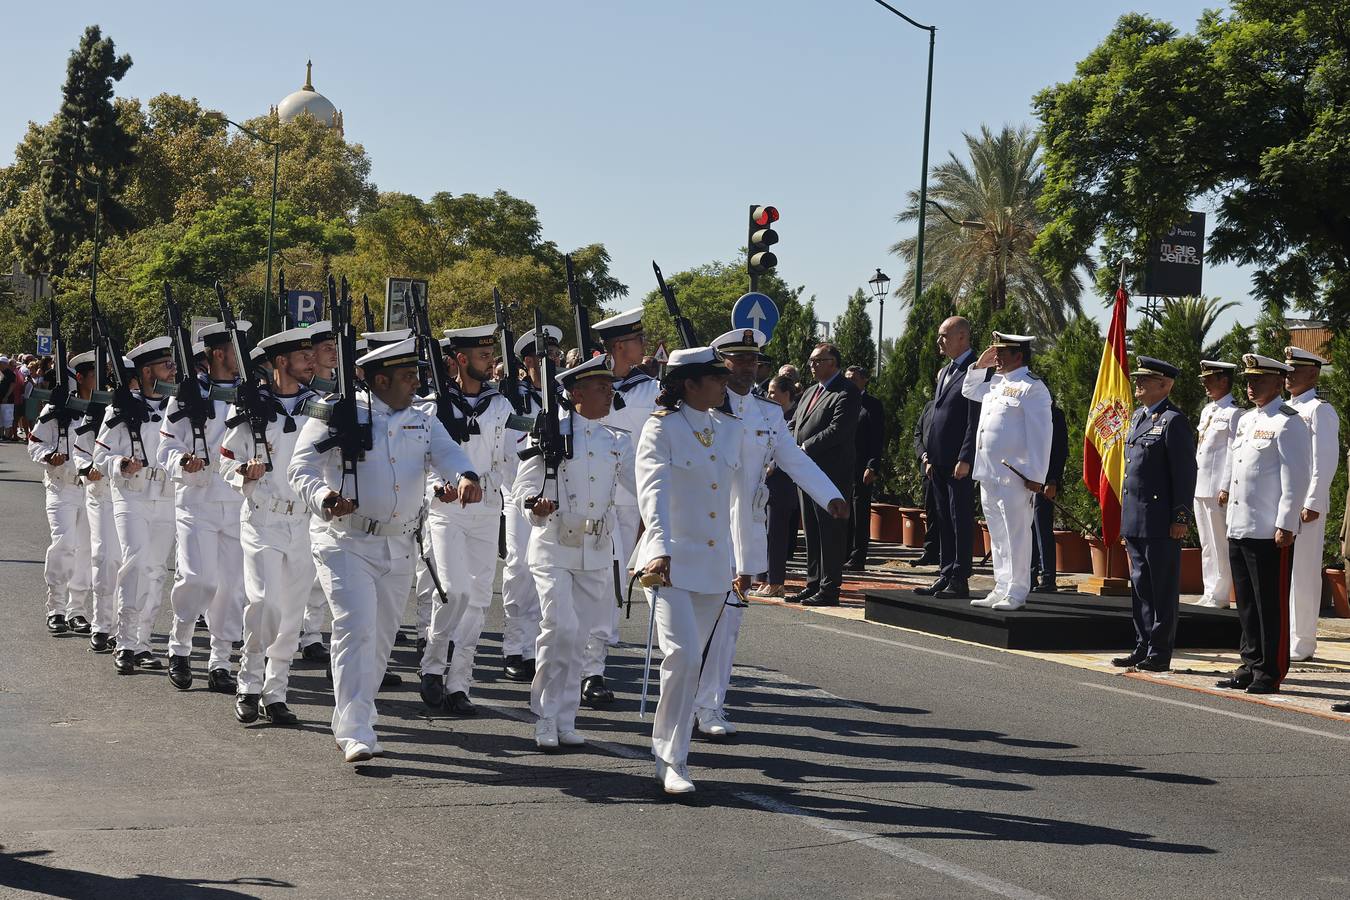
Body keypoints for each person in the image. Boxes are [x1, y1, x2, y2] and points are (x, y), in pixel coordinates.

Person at [289, 337, 480, 762]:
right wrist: (324, 496)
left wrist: (465, 474)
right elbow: (300, 467)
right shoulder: (338, 412)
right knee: (356, 629)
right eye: (407, 377)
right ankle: (357, 729)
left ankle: (353, 714)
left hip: (397, 544)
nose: (416, 383)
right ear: (380, 379)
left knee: (380, 639)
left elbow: (447, 452)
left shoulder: (422, 419)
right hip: (344, 539)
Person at [699, 330, 846, 736]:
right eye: (738, 360)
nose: (748, 368)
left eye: (753, 361)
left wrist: (829, 496)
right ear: (720, 362)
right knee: (698, 625)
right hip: (702, 527)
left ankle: (711, 707)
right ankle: (685, 700)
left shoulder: (767, 412)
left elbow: (793, 459)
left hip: (744, 530)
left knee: (728, 624)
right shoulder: (701, 408)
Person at [632, 347, 754, 795]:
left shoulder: (728, 430)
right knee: (682, 655)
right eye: (714, 377)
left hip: (713, 567)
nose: (724, 383)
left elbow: (738, 501)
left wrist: (743, 562)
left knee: (692, 662)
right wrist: (658, 549)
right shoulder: (659, 428)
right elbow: (654, 492)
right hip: (667, 564)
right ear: (689, 384)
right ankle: (671, 759)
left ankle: (672, 751)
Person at [516, 354, 634, 749]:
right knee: (560, 629)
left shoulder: (616, 441)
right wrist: (536, 505)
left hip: (596, 549)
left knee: (579, 635)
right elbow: (523, 491)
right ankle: (546, 717)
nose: (609, 393)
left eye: (609, 385)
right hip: (554, 545)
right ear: (576, 393)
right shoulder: (549, 433)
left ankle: (566, 717)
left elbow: (643, 486)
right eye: (601, 387)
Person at [418, 324, 525, 715]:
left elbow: (511, 460)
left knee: (478, 600)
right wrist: (438, 487)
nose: (490, 361)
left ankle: (460, 681)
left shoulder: (502, 407)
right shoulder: (431, 407)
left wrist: (485, 484)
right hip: (445, 512)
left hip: (486, 509)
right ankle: (432, 662)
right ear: (461, 360)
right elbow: (424, 459)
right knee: (453, 590)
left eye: (490, 355)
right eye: (482, 356)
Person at [219, 326, 318, 726]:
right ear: (281, 362)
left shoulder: (321, 406)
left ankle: (276, 692)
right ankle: (248, 683)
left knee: (292, 614)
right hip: (263, 518)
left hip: (306, 521)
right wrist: (243, 470)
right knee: (264, 604)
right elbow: (225, 460)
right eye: (303, 355)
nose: (311, 361)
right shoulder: (249, 407)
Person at [157, 321, 251, 694]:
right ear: (218, 353)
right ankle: (179, 646)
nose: (241, 356)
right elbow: (166, 448)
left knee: (231, 587)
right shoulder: (186, 395)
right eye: (234, 348)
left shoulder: (251, 394)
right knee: (199, 578)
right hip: (196, 499)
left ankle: (220, 660)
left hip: (237, 499)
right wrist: (183, 460)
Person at [1216, 354, 1311, 695]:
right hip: (1240, 525)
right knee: (1246, 603)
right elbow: (1238, 465)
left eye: (1258, 380)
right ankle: (1250, 662)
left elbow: (1295, 478)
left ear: (1276, 382)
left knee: (1270, 603)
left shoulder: (1289, 422)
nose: (1250, 386)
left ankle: (1271, 670)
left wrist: (1286, 524)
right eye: (1248, 380)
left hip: (1269, 530)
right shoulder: (1245, 420)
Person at [583, 307, 659, 705]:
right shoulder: (582, 383)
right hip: (584, 499)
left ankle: (593, 670)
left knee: (611, 587)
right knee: (580, 584)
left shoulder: (651, 390)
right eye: (637, 340)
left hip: (628, 501)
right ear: (618, 347)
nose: (643, 346)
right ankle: (567, 662)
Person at [92, 338, 178, 675]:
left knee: (156, 570)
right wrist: (118, 464)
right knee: (136, 562)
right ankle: (124, 642)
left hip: (167, 495)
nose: (172, 369)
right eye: (165, 364)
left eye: (172, 363)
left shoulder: (178, 407)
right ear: (146, 371)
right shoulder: (120, 409)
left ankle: (143, 642)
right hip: (131, 494)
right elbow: (99, 456)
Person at [1112, 357, 1197, 672]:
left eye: (1146, 379)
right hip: (1135, 518)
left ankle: (1160, 652)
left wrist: (1180, 517)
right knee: (1140, 587)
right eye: (1139, 378)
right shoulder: (1137, 417)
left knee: (1161, 588)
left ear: (1165, 385)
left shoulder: (1173, 421)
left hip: (1161, 520)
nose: (1139, 383)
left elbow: (1185, 473)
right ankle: (1142, 645)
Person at [960, 332, 1052, 611]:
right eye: (995, 352)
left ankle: (1018, 590)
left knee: (1017, 533)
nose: (996, 357)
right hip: (989, 472)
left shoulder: (1032, 387)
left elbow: (1041, 434)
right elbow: (968, 390)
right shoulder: (995, 384)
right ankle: (1000, 586)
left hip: (1016, 475)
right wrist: (978, 366)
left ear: (1018, 356)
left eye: (1001, 353)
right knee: (997, 534)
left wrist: (1037, 475)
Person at [498, 324, 562, 683]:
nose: (552, 361)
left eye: (555, 355)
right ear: (527, 362)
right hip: (519, 492)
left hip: (555, 497)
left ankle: (540, 647)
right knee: (520, 568)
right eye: (545, 356)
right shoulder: (512, 400)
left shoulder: (566, 396)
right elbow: (507, 449)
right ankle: (514, 646)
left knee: (547, 572)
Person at [28, 352, 95, 636]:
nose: (101, 379)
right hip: (62, 486)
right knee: (64, 544)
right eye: (95, 373)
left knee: (87, 551)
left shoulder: (103, 409)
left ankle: (77, 609)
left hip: (91, 489)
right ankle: (55, 607)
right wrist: (49, 456)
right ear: (79, 377)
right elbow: (34, 445)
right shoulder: (55, 410)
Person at [788, 343, 859, 607]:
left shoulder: (847, 391)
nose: (812, 365)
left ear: (833, 362)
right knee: (811, 530)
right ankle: (813, 583)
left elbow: (839, 429)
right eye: (810, 361)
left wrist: (804, 447)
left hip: (831, 473)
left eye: (818, 361)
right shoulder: (809, 392)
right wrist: (787, 443)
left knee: (830, 530)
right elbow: (796, 423)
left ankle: (830, 589)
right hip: (806, 471)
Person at [915, 317, 981, 599]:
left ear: (962, 337)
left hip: (958, 462)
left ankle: (960, 577)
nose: (939, 341)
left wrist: (966, 456)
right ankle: (945, 572)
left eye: (944, 335)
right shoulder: (944, 372)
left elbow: (973, 418)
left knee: (959, 518)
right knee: (942, 518)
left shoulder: (976, 370)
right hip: (938, 460)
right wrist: (927, 455)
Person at [1284, 346, 1339, 661]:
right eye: (1287, 371)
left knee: (1302, 573)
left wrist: (1314, 501)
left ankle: (1302, 641)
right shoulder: (1285, 409)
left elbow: (1325, 460)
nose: (1288, 376)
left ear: (1313, 374)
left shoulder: (1319, 410)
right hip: (1283, 504)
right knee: (1284, 573)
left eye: (1295, 370)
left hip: (1306, 507)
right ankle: (1286, 634)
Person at [70, 353, 123, 653]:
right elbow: (81, 450)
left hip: (131, 495)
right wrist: (86, 468)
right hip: (101, 493)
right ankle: (102, 625)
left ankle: (123, 628)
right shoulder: (98, 411)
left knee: (126, 563)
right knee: (104, 557)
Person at [298, 320, 337, 661]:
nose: (334, 354)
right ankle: (301, 629)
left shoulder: (348, 389)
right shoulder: (304, 393)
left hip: (331, 489)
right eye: (327, 348)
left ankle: (313, 633)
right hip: (302, 488)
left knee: (322, 573)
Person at [1193, 360, 1242, 609]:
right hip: (1200, 485)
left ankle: (1221, 594)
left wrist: (1225, 486)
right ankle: (1209, 589)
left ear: (1224, 381)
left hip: (1217, 488)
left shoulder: (1235, 413)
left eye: (1209, 380)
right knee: (1206, 543)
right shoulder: (1208, 410)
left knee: (1220, 542)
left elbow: (1233, 452)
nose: (1205, 385)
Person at [750, 375, 803, 598]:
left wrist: (772, 466)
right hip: (764, 483)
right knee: (763, 532)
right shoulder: (768, 415)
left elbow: (790, 449)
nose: (769, 396)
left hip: (781, 484)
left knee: (776, 534)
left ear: (787, 394)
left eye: (773, 392)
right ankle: (762, 579)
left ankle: (776, 581)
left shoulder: (793, 416)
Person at [844, 365, 885, 571]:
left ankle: (857, 556)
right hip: (842, 466)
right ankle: (842, 552)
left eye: (853, 379)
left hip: (862, 468)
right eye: (847, 378)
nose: (849, 382)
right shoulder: (841, 401)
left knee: (860, 512)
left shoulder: (872, 405)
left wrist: (872, 465)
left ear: (864, 380)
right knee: (843, 511)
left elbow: (877, 439)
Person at [1030, 397, 1069, 593]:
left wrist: (1053, 480)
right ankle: (1029, 575)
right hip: (1023, 480)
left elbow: (1060, 451)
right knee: (1025, 529)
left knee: (1041, 527)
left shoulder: (1055, 416)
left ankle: (1047, 577)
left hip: (1044, 481)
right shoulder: (1026, 414)